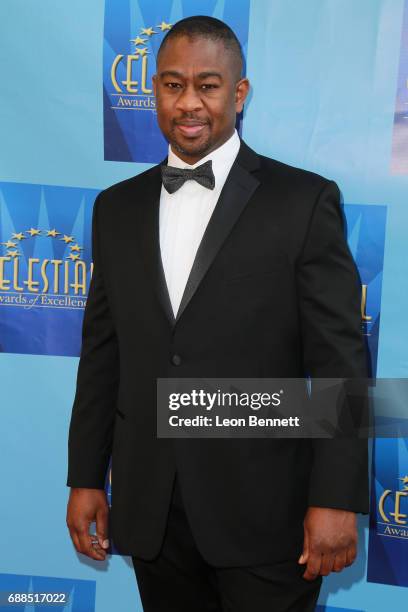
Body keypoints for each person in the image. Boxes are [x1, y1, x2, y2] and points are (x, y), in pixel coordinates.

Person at [66, 15, 369, 612]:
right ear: (154, 90)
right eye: (173, 84)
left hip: (266, 511)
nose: (188, 103)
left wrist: (337, 497)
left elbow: (342, 358)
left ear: (239, 92)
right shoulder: (115, 209)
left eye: (207, 84)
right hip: (151, 507)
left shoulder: (304, 200)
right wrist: (83, 478)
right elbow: (102, 356)